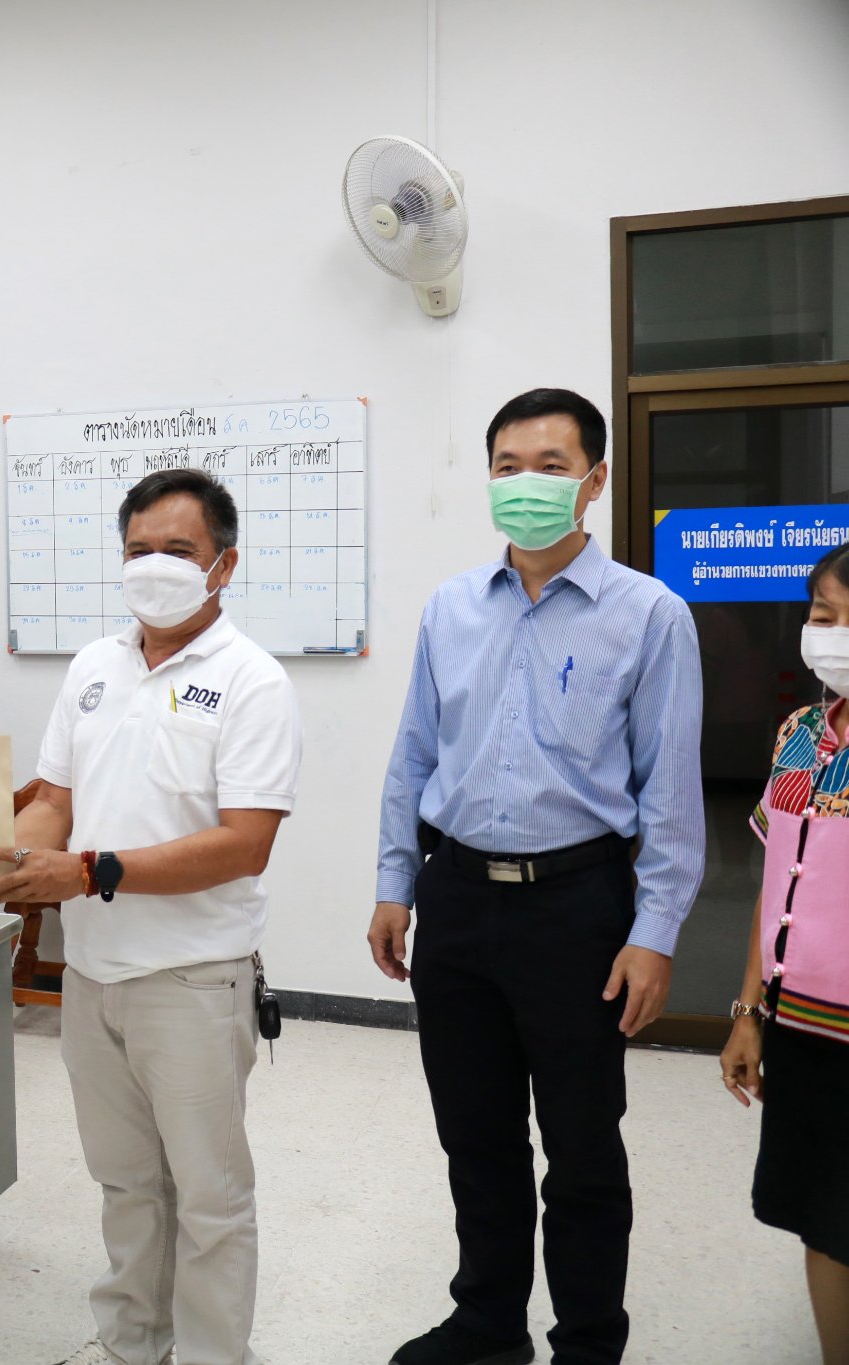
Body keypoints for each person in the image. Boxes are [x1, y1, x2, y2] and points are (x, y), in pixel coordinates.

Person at [0, 467, 303, 1365]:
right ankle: (133, 1342)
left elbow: (245, 843)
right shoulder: (94, 666)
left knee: (209, 1195)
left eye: (179, 549)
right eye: (139, 549)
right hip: (93, 978)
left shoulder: (253, 681)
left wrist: (90, 871)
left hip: (195, 979)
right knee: (126, 1182)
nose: (154, 566)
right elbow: (53, 801)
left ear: (224, 564)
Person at [369, 388, 704, 1365]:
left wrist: (653, 933)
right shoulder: (449, 608)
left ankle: (588, 1343)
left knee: (582, 1149)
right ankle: (487, 1322)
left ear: (593, 482)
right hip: (457, 897)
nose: (525, 484)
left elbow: (671, 795)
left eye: (550, 467)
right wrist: (394, 883)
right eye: (507, 466)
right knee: (474, 1136)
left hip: (577, 908)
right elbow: (413, 756)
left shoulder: (649, 615)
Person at [721, 543, 849, 1365]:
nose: (827, 634)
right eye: (821, 616)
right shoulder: (800, 733)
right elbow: (775, 886)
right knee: (824, 1217)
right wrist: (748, 1013)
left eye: (842, 618)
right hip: (803, 1026)